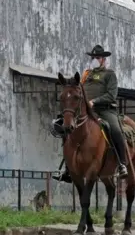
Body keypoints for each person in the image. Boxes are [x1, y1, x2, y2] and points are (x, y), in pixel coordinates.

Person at [51, 45, 128, 183]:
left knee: (115, 130)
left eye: (97, 57)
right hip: (86, 110)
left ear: (103, 59)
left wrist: (95, 101)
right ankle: (68, 168)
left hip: (105, 110)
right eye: (93, 57)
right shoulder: (86, 74)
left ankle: (122, 164)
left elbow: (112, 95)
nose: (95, 60)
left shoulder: (110, 74)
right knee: (67, 129)